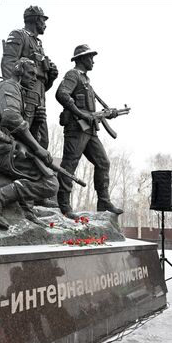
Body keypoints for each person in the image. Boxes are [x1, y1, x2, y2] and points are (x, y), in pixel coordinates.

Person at [0, 57, 58, 230]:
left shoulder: (16, 90)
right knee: (51, 183)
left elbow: (17, 130)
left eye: (35, 75)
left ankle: (25, 210)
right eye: (30, 73)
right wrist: (38, 149)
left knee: (40, 170)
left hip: (2, 148)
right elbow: (11, 119)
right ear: (19, 71)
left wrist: (35, 125)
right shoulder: (9, 87)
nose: (34, 78)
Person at [55, 44, 122, 219]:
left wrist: (109, 113)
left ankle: (104, 201)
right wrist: (80, 113)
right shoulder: (72, 75)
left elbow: (92, 110)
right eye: (90, 57)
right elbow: (61, 94)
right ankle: (63, 205)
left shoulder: (86, 81)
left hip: (90, 130)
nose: (93, 61)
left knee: (103, 162)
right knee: (69, 165)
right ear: (82, 59)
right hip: (76, 129)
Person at [1, 5, 58, 150]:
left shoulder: (39, 43)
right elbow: (8, 65)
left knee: (42, 141)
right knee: (21, 138)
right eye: (43, 20)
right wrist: (15, 94)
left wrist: (50, 76)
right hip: (24, 97)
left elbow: (41, 83)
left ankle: (31, 172)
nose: (45, 25)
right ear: (37, 20)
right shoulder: (18, 35)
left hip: (39, 98)